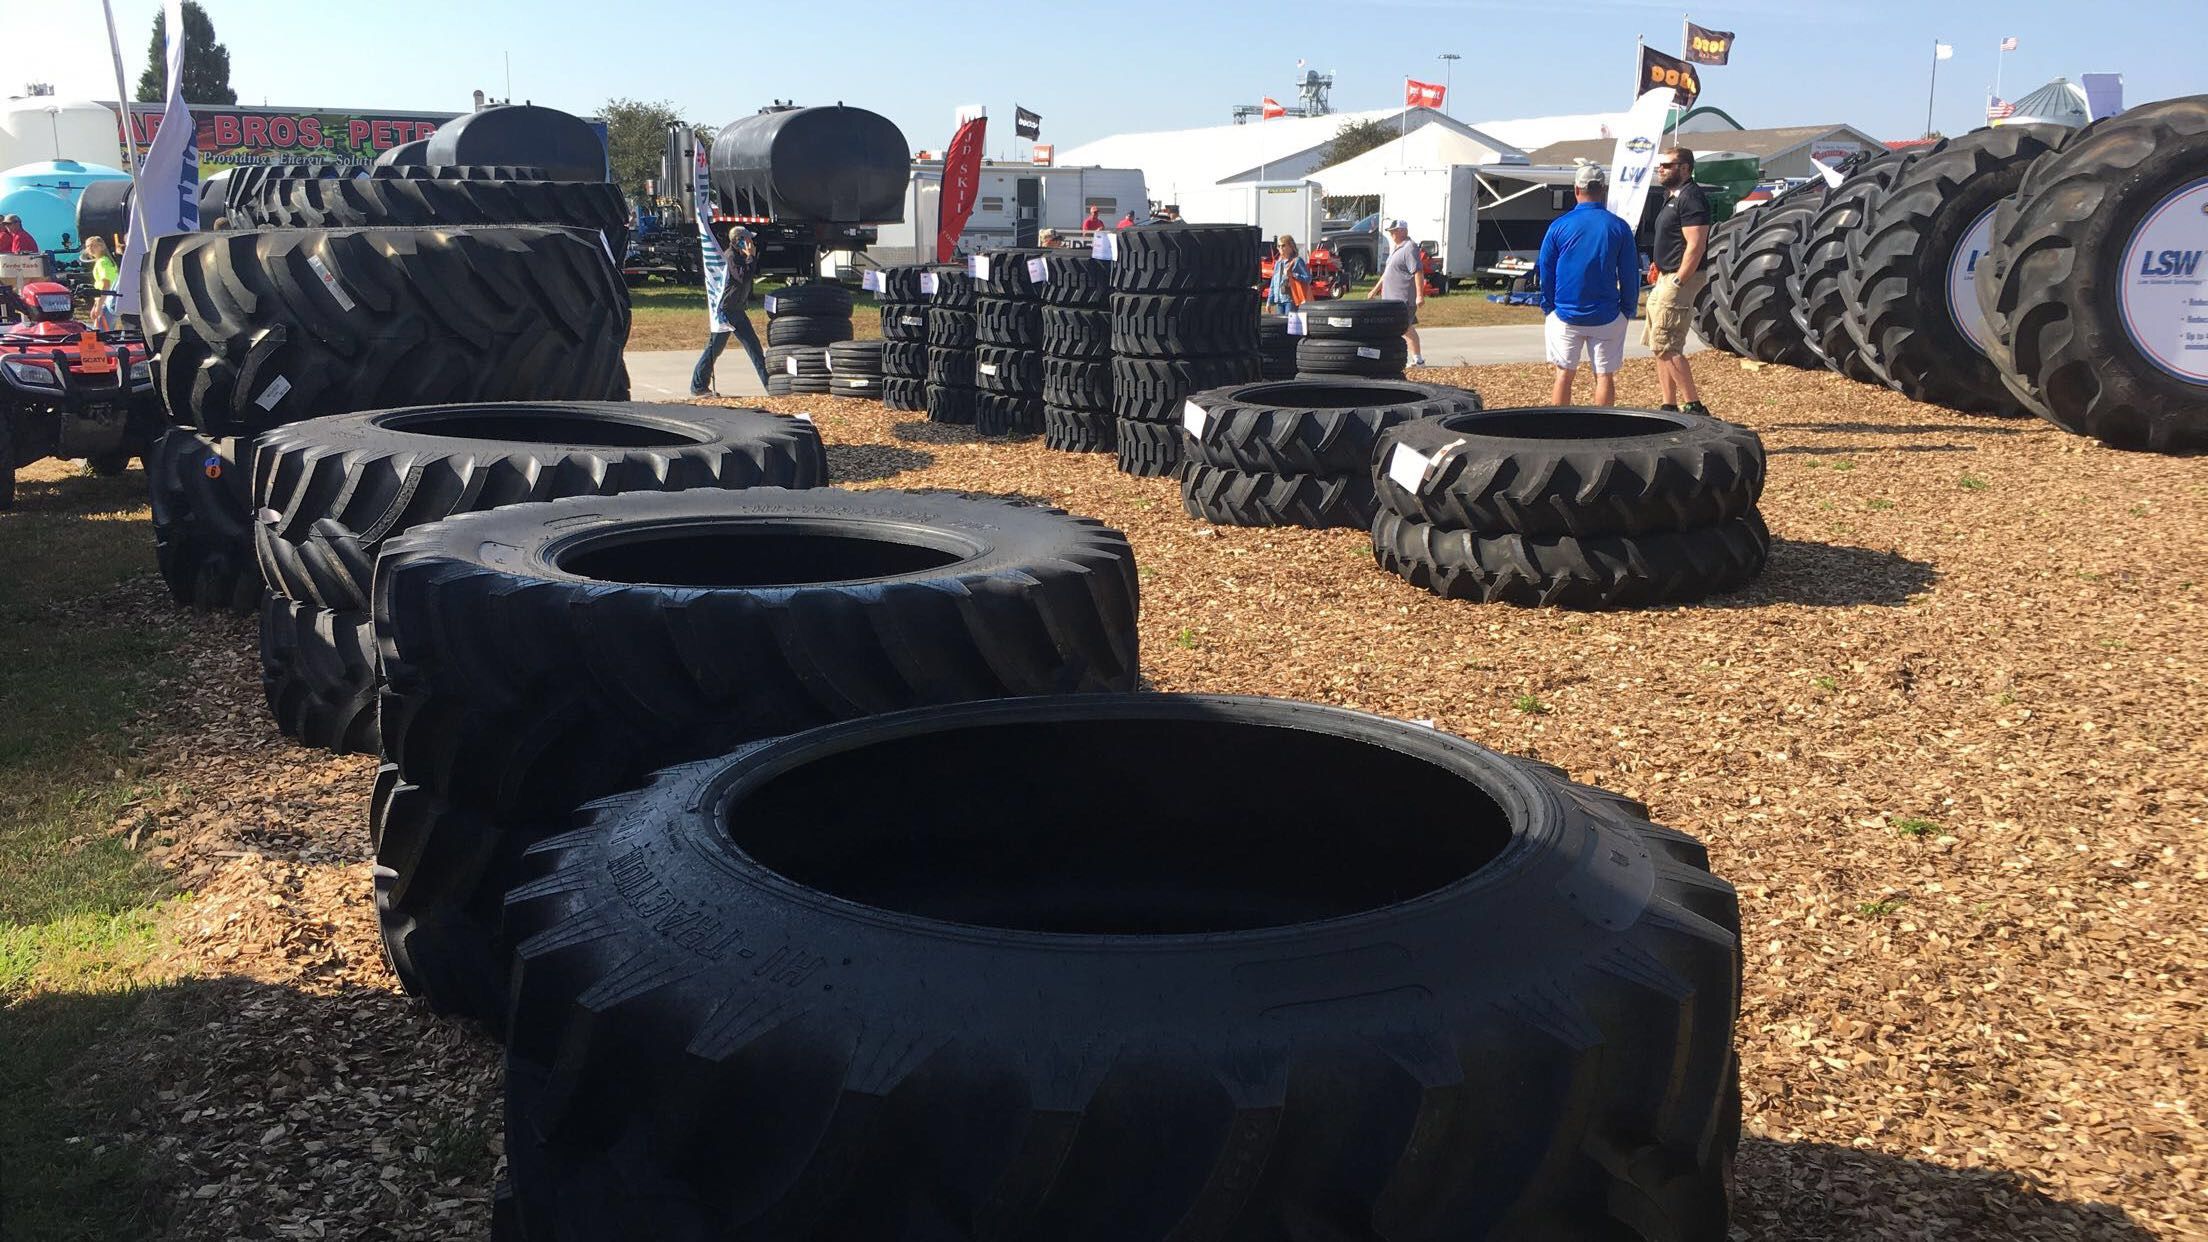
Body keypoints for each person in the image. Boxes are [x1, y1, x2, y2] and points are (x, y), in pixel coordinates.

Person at [1536, 164, 1640, 407]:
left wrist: (1548, 306)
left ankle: (1559, 430)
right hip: (1607, 314)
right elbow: (1629, 273)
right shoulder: (1618, 226)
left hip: (1565, 313)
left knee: (1564, 373)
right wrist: (1628, 309)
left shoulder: (1559, 226)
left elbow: (1546, 271)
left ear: (1576, 189)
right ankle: (1603, 429)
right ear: (1602, 190)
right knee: (1604, 374)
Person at [1646, 147, 1713, 414]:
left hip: (1679, 279)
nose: (1660, 169)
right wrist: (1659, 265)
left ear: (1685, 168)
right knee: (1657, 342)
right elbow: (1673, 239)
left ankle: (1694, 405)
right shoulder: (1671, 196)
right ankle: (1668, 405)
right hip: (1665, 274)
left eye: (1666, 165)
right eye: (1659, 166)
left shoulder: (1692, 198)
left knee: (1666, 342)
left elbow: (1696, 245)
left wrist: (1678, 280)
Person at [689, 225, 770, 398]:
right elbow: (742, 277)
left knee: (754, 348)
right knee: (713, 349)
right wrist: (750, 258)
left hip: (737, 309)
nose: (752, 242)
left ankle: (771, 387)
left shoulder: (740, 257)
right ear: (739, 241)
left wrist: (750, 258)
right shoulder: (730, 257)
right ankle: (698, 386)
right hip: (726, 311)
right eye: (748, 239)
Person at [1369, 219, 1426, 366]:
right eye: (1391, 232)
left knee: (1402, 327)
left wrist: (1420, 295)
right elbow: (1388, 273)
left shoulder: (1410, 247)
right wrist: (1375, 289)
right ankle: (1415, 357)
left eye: (1394, 231)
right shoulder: (1396, 248)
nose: (1392, 234)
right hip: (1391, 299)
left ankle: (1416, 359)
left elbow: (1417, 271)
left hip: (1403, 298)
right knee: (1406, 328)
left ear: (1403, 231)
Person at [80, 235, 120, 331]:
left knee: (102, 334)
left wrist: (99, 306)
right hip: (106, 300)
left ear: (101, 246)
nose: (90, 249)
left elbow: (106, 284)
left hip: (107, 300)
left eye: (93, 245)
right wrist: (96, 305)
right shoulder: (104, 261)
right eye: (88, 246)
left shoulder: (103, 262)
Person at [1267, 235, 1311, 314]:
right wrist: (1269, 301)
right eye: (1279, 246)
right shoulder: (1278, 263)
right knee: (1280, 325)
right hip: (1279, 300)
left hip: (1291, 300)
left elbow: (1308, 278)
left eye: (1283, 245)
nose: (1281, 248)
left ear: (1291, 246)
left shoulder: (1297, 261)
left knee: (1290, 324)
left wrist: (1293, 274)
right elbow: (1273, 283)